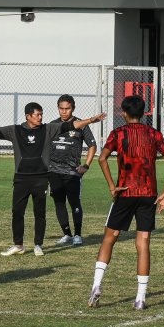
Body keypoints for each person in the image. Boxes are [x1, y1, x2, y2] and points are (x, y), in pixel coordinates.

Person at [0, 103, 106, 256]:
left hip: (41, 178)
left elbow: (72, 125)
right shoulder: (15, 130)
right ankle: (18, 245)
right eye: (37, 115)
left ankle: (38, 244)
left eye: (41, 114)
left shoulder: (48, 129)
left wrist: (91, 120)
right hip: (21, 179)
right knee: (17, 212)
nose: (40, 117)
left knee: (40, 213)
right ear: (28, 116)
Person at [87, 95, 164, 310]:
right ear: (144, 112)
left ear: (124, 113)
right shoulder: (154, 134)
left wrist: (112, 186)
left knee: (110, 238)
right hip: (148, 194)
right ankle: (140, 298)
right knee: (143, 243)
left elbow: (101, 159)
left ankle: (97, 286)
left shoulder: (118, 133)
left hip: (125, 192)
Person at [49, 95, 97, 246]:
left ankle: (78, 234)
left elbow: (92, 145)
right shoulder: (52, 125)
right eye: (61, 108)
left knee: (74, 202)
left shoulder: (81, 125)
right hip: (54, 171)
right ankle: (67, 234)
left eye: (67, 108)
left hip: (72, 172)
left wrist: (86, 165)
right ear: (58, 108)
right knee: (59, 202)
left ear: (73, 108)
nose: (64, 112)